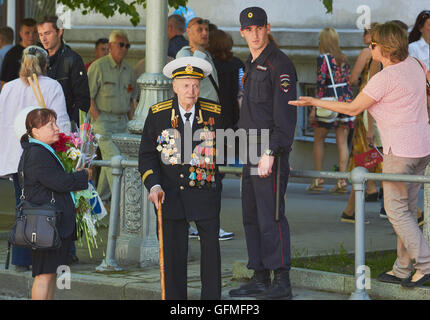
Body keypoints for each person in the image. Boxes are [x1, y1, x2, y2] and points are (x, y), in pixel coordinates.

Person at [290, 22, 430, 288]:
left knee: (396, 210)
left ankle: (425, 265)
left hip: (399, 151)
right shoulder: (415, 64)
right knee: (407, 210)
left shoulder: (384, 78)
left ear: (384, 48)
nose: (369, 47)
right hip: (422, 148)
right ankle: (402, 268)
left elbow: (353, 109)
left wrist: (314, 101)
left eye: (372, 44)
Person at [138, 56, 223, 300]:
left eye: (195, 85)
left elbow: (226, 152)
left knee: (211, 255)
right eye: (185, 85)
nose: (191, 91)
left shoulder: (214, 114)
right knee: (173, 257)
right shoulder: (158, 114)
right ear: (174, 86)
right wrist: (153, 185)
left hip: (204, 194)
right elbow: (146, 156)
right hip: (170, 194)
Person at [228, 7, 297, 300]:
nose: (254, 34)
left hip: (268, 153)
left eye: (259, 28)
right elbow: (250, 114)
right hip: (248, 148)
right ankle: (259, 276)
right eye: (249, 29)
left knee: (272, 216)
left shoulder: (280, 64)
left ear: (267, 28)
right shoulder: (251, 62)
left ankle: (281, 281)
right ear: (242, 32)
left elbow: (286, 117)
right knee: (251, 216)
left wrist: (272, 151)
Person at [0, 45, 70, 273]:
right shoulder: (51, 86)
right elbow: (62, 123)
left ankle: (22, 256)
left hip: (15, 157)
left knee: (23, 206)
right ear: (46, 64)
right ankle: (42, 250)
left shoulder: (8, 88)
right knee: (45, 207)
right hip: (42, 156)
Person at [19, 108, 89, 300]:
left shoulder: (41, 150)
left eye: (56, 123)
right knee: (43, 275)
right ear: (35, 130)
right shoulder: (37, 153)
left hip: (50, 223)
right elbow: (60, 182)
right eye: (50, 124)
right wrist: (83, 176)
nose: (57, 128)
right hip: (45, 225)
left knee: (50, 273)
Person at [88, 30, 138, 203]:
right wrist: (98, 119)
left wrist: (132, 124)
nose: (124, 49)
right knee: (115, 160)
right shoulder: (98, 66)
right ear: (110, 46)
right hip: (104, 121)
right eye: (121, 44)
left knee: (112, 163)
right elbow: (88, 96)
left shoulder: (129, 70)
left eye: (127, 45)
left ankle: (98, 204)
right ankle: (123, 203)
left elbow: (132, 101)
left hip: (123, 121)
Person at [341, 24, 382, 223]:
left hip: (367, 110)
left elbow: (354, 78)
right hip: (370, 112)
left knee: (369, 157)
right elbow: (371, 85)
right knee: (369, 157)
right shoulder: (374, 56)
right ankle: (352, 208)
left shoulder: (368, 54)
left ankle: (353, 208)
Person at [306, 27, 354, 194]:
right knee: (342, 142)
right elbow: (347, 81)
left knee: (319, 139)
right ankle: (342, 180)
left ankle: (318, 179)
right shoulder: (343, 58)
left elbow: (321, 85)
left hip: (328, 102)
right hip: (345, 101)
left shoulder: (323, 59)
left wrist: (314, 107)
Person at [37, 16, 90, 126]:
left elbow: (82, 100)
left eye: (47, 33)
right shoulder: (38, 60)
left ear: (59, 32)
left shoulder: (73, 59)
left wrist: (71, 128)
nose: (43, 38)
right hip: (41, 125)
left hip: (65, 124)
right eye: (40, 34)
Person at [208, 29, 244, 130]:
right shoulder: (238, 64)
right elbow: (243, 89)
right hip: (235, 118)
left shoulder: (209, 67)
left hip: (214, 117)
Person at [176, 17, 219, 102]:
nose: (205, 33)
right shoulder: (184, 54)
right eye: (199, 30)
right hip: (196, 108)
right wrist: (199, 51)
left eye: (206, 29)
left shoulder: (206, 54)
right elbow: (191, 78)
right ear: (188, 32)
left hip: (211, 107)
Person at [1, 18, 38, 88]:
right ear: (20, 34)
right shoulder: (12, 54)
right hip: (20, 95)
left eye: (35, 32)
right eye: (27, 33)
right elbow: (4, 83)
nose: (31, 36)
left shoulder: (43, 50)